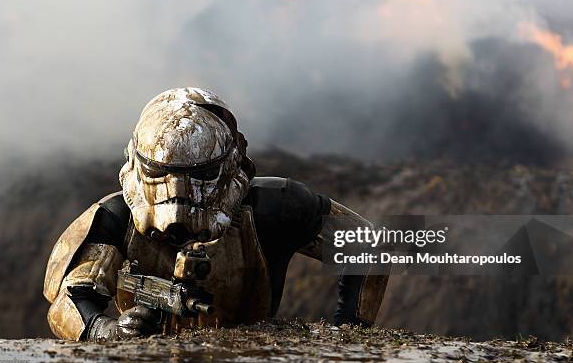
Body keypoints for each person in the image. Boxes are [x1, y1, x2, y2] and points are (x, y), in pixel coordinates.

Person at [43, 87, 389, 341]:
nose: (178, 196)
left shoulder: (275, 207)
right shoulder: (115, 217)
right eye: (161, 174)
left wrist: (348, 331)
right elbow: (69, 301)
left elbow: (370, 246)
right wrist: (107, 331)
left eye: (200, 175)